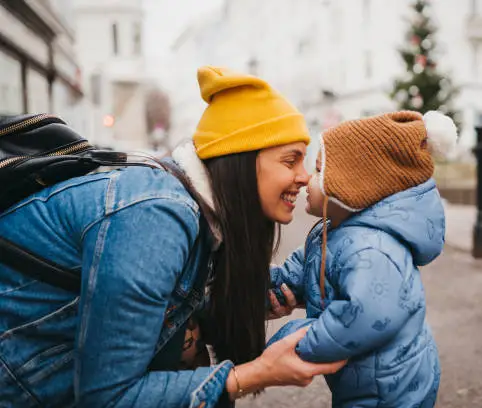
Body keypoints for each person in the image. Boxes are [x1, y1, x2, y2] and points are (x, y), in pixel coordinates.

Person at [0, 66, 345, 408]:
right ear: (242, 161)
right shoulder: (158, 215)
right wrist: (256, 373)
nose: (304, 176)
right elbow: (107, 397)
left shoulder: (194, 211)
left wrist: (248, 301)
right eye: (291, 160)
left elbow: (162, 306)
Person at [268, 110, 458, 407]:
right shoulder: (333, 232)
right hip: (361, 379)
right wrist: (267, 283)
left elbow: (363, 317)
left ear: (352, 186)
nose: (307, 180)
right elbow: (300, 271)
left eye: (319, 171)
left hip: (391, 388)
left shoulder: (372, 250)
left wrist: (297, 339)